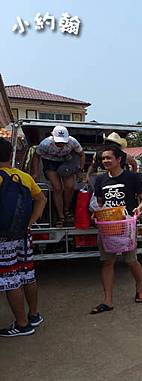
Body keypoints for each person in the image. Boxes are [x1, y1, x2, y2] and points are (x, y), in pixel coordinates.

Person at [90, 146, 142, 314]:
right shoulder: (100, 180)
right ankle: (107, 300)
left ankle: (139, 287)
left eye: (109, 158)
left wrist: (139, 208)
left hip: (126, 226)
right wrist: (96, 214)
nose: (105, 161)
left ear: (119, 159)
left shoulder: (131, 177)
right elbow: (100, 203)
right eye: (103, 159)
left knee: (130, 260)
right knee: (107, 262)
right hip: (108, 227)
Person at [0, 138, 47, 337]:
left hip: (3, 238)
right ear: (10, 155)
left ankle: (22, 324)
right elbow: (41, 199)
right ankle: (34, 314)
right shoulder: (24, 177)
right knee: (27, 274)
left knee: (11, 279)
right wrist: (30, 222)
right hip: (22, 234)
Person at [32, 125, 84, 228]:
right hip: (50, 163)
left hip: (65, 162)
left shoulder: (73, 142)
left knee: (70, 186)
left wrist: (80, 170)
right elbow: (36, 156)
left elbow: (82, 154)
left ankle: (66, 208)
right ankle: (61, 216)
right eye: (58, 141)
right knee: (57, 188)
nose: (60, 144)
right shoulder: (45, 144)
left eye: (63, 142)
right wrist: (36, 172)